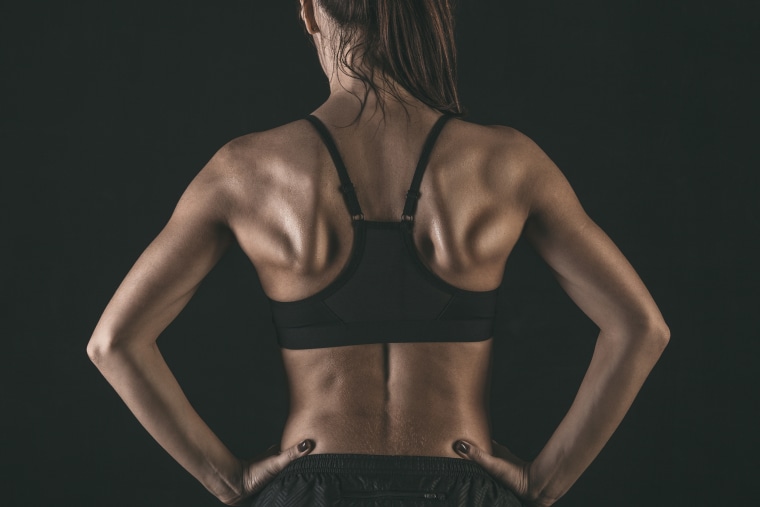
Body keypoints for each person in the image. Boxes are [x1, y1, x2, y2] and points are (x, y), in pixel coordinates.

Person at [86, 0, 670, 505]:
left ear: (310, 12)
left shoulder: (245, 171)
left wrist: (230, 480)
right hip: (462, 484)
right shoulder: (508, 163)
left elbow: (114, 343)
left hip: (309, 488)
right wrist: (543, 484)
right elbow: (641, 328)